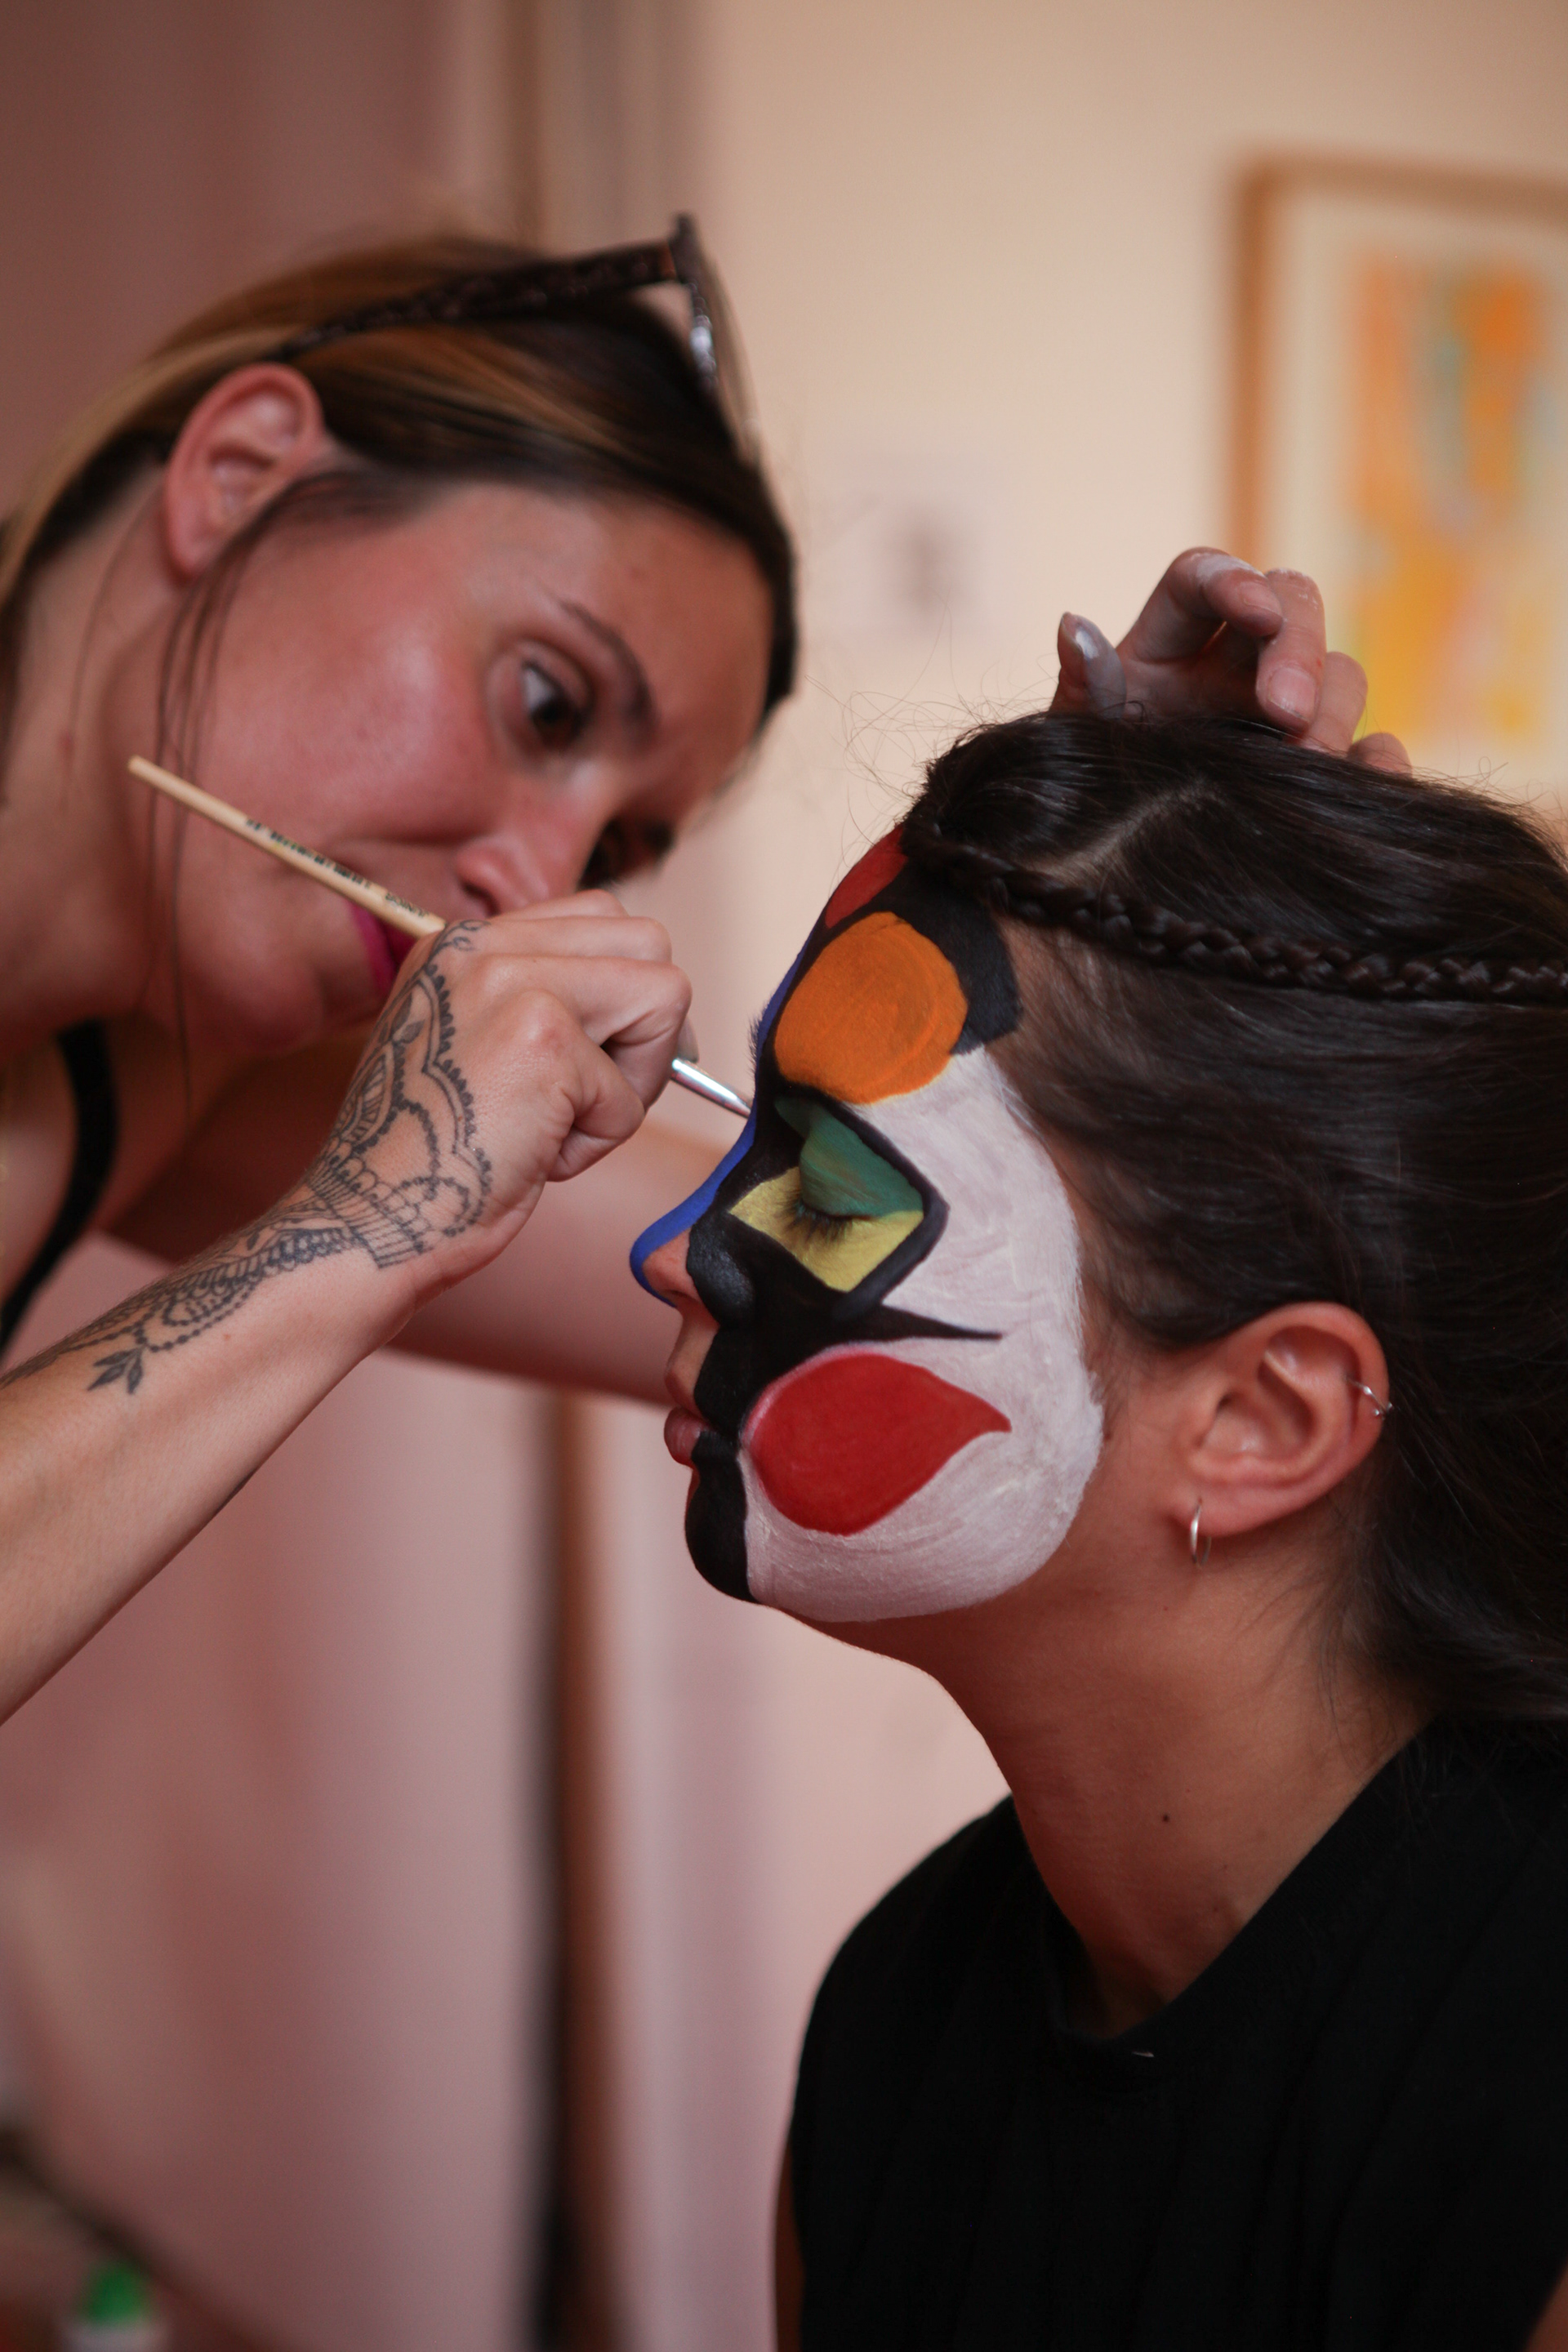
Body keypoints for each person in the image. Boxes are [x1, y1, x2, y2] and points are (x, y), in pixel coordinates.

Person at [0, 216, 1379, 1724]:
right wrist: (372, 1225)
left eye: (615, 846)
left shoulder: (160, 1071)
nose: (537, 881)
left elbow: (928, 1268)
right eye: (546, 702)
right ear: (241, 472)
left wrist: (1112, 915)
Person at [640, 712, 1568, 2352]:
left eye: (833, 1193)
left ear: (1262, 1419)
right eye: (757, 1145)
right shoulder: (897, 2018)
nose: (674, 1250)